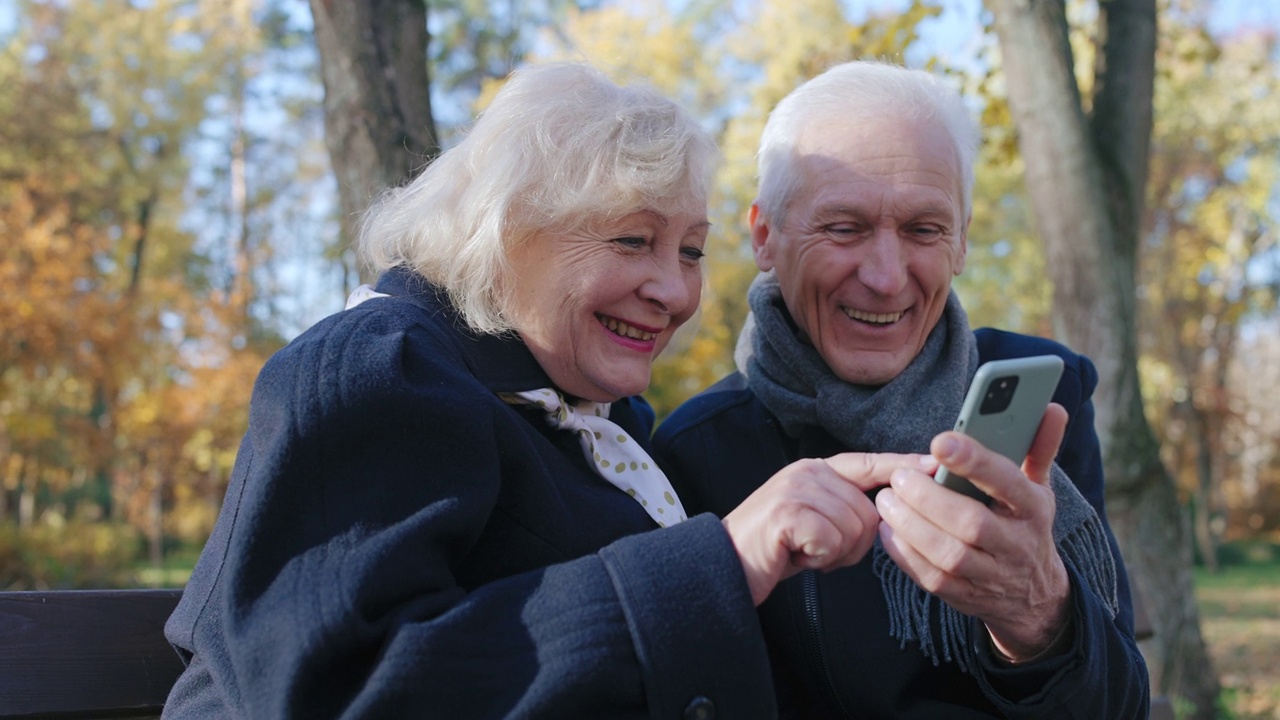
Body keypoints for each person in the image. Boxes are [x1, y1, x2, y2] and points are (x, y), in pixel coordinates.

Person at [161, 61, 922, 719]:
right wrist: (722, 560)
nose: (673, 290)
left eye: (691, 250)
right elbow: (335, 694)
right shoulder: (379, 370)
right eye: (632, 239)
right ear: (505, 230)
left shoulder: (589, 418)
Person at [653, 60, 1151, 718]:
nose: (887, 278)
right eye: (844, 227)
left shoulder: (1043, 394)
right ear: (766, 237)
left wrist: (1040, 616)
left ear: (963, 242)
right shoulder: (695, 451)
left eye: (923, 229)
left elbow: (1120, 705)